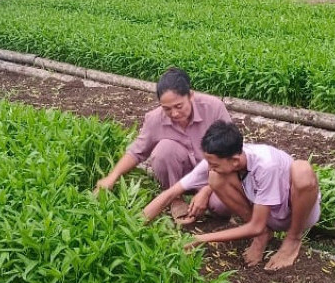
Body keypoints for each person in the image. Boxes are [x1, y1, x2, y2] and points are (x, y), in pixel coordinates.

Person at [143, 120, 321, 271]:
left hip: (295, 214)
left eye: (214, 164)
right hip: (264, 215)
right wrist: (137, 223)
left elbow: (256, 225)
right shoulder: (223, 158)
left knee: (302, 170)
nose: (210, 167)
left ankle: (292, 239)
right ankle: (263, 236)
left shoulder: (267, 165)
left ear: (235, 161)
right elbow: (172, 192)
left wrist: (200, 239)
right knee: (215, 178)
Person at [95, 67, 232, 220]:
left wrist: (207, 191)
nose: (174, 113)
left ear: (191, 96)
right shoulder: (155, 119)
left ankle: (203, 200)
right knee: (165, 149)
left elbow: (231, 151)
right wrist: (112, 177)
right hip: (180, 179)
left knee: (222, 207)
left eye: (179, 106)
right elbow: (136, 152)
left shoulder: (213, 108)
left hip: (214, 175)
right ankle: (175, 198)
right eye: (167, 109)